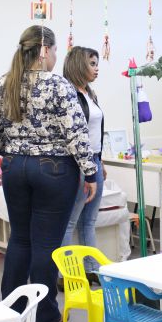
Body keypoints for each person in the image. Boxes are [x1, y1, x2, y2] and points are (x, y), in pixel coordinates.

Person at [0, 25, 97, 322]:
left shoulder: (4, 83)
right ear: (45, 50)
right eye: (55, 50)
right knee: (46, 243)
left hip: (14, 167)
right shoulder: (58, 85)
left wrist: (11, 151)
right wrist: (90, 171)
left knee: (20, 238)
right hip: (54, 170)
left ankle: (12, 307)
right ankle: (43, 313)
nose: (56, 56)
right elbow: (76, 133)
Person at [60, 47, 105, 286]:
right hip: (77, 163)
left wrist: (100, 162)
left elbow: (95, 131)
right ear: (79, 65)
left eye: (97, 64)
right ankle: (67, 275)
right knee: (70, 222)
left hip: (94, 161)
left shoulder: (90, 93)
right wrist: (86, 166)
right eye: (92, 64)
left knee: (89, 221)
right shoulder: (68, 95)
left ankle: (92, 270)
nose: (97, 69)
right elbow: (73, 135)